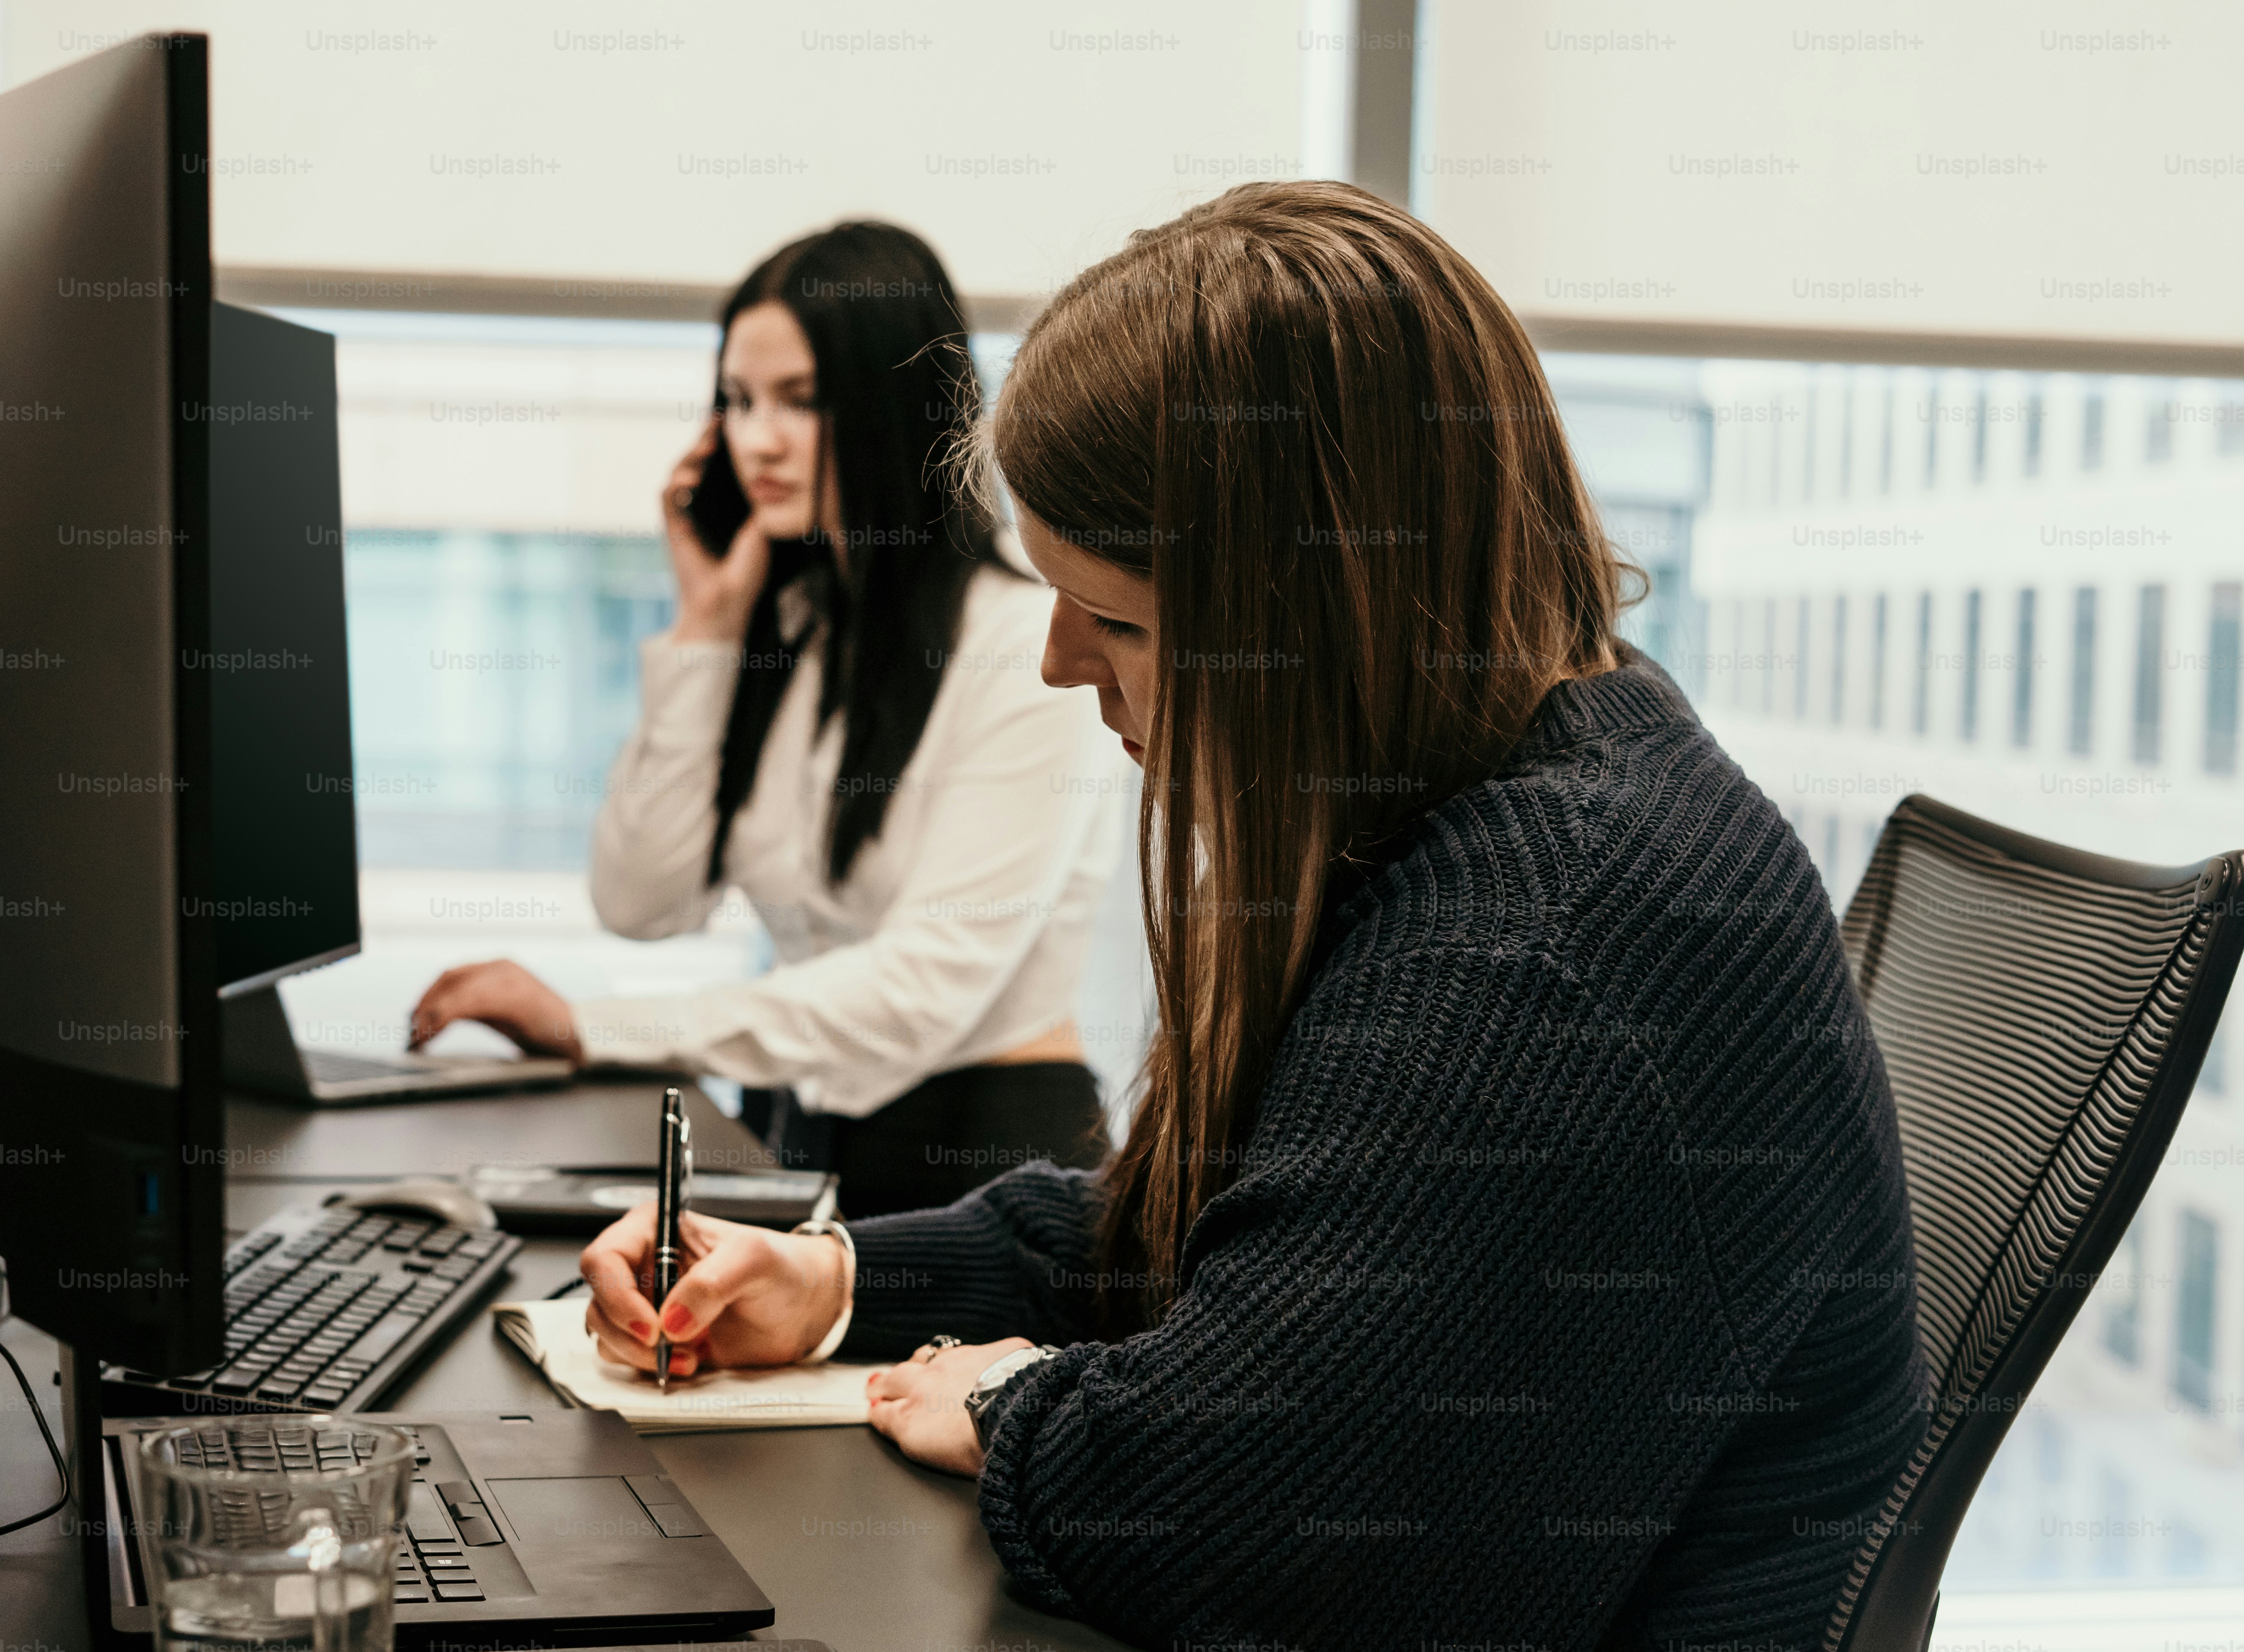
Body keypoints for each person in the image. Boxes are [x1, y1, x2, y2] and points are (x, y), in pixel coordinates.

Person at [574, 181, 1930, 1650]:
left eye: (1120, 619)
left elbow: (1249, 1529)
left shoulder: (1536, 949)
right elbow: (1231, 1222)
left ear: (1319, 613)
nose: (1059, 664)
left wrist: (1012, 1396)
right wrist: (843, 1280)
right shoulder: (1516, 780)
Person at [408, 222, 1124, 1216]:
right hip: (793, 1130)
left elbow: (922, 990)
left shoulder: (1017, 640)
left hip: (984, 1153)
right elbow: (642, 899)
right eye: (738, 401)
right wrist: (705, 630)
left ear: (897, 404)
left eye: (801, 398)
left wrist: (597, 1025)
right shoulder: (789, 628)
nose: (757, 440)